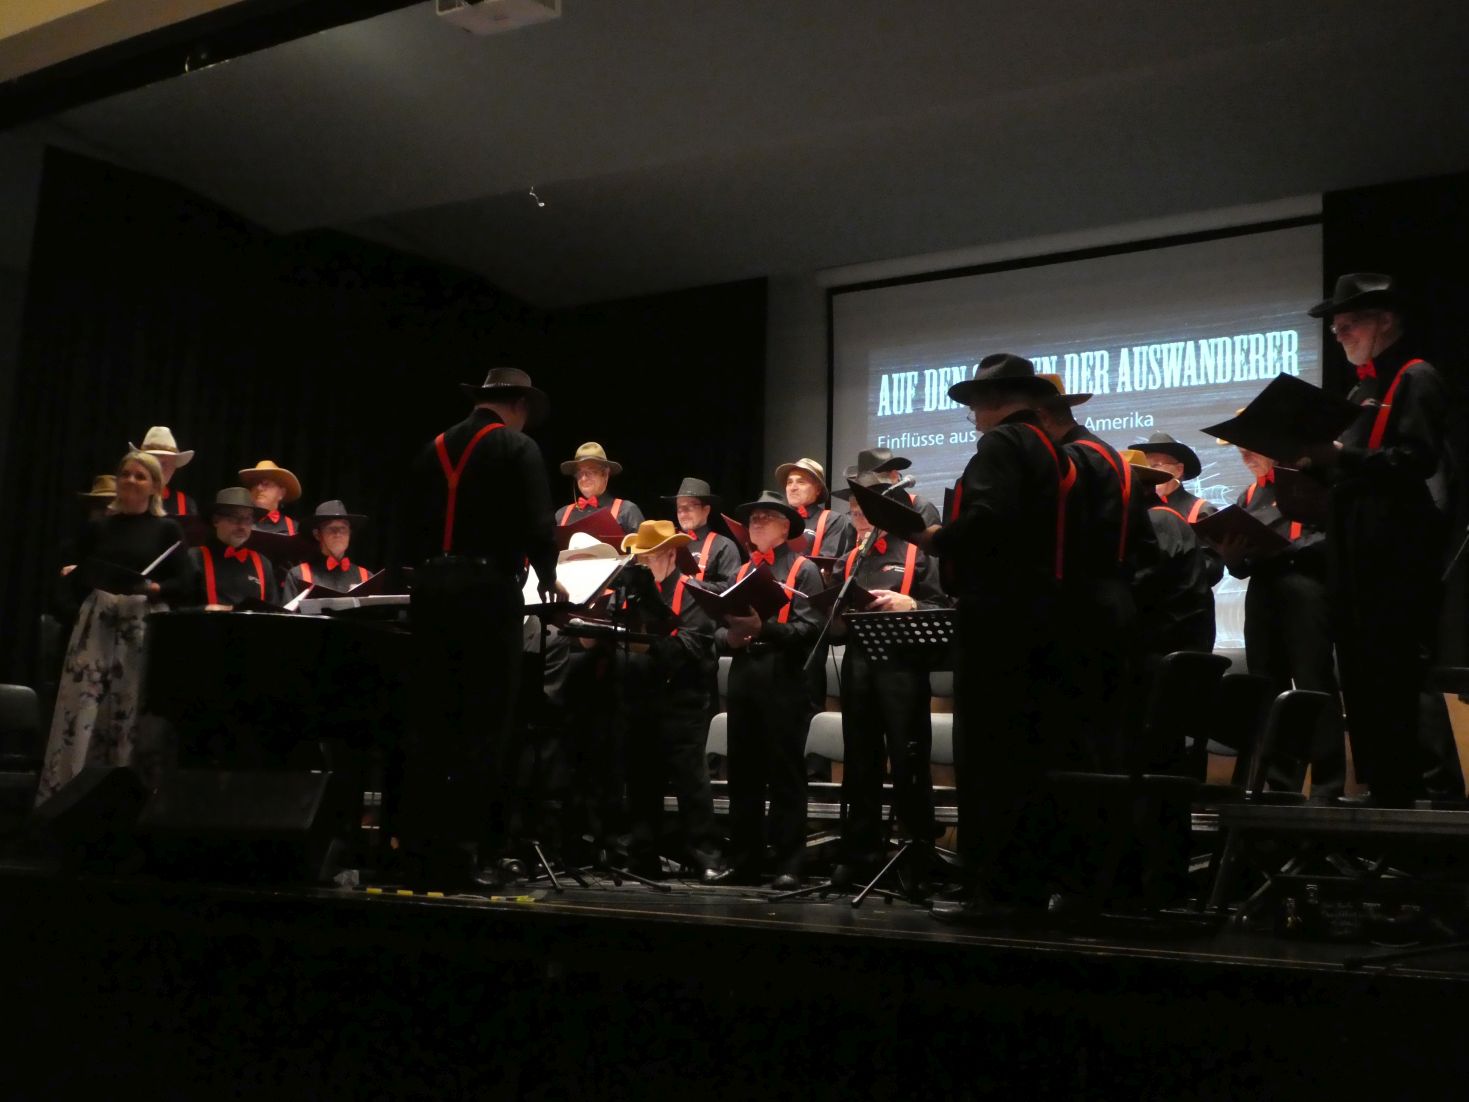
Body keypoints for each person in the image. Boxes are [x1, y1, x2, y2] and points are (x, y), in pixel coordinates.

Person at [913, 354, 1077, 922]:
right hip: (1039, 617)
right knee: (1023, 758)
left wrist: (936, 538)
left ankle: (993, 892)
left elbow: (988, 520)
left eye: (975, 407)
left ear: (991, 402)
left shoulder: (1002, 444)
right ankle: (1021, 888)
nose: (974, 419)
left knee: (987, 755)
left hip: (997, 619)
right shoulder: (1050, 448)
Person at [1301, 273, 1462, 804]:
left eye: (1349, 323)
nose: (1339, 334)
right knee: (1363, 668)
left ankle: (1434, 794)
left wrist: (1341, 457)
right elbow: (1355, 468)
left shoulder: (1415, 377)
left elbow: (1416, 458)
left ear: (1385, 320)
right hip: (1356, 545)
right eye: (1336, 328)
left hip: (1396, 547)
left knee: (1400, 665)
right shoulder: (1359, 390)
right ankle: (1388, 785)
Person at [402, 367, 564, 889]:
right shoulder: (517, 447)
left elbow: (409, 525)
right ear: (519, 405)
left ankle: (420, 852)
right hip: (487, 593)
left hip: (430, 591)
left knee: (431, 720)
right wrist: (549, 577)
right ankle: (469, 855)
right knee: (484, 722)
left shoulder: (431, 449)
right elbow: (538, 524)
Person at [36, 451, 196, 804]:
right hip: (97, 622)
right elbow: (73, 577)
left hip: (141, 623)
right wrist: (79, 585)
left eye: (140, 476)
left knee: (130, 708)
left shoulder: (167, 529)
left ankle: (126, 799)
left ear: (155, 486)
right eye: (126, 474)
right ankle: (67, 798)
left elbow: (186, 584)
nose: (131, 481)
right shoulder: (99, 527)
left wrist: (153, 588)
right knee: (82, 707)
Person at [826, 471, 948, 889]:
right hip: (859, 670)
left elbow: (943, 604)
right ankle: (859, 854)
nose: (857, 514)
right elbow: (833, 629)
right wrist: (837, 616)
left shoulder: (916, 551)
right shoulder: (851, 558)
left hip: (903, 671)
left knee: (908, 759)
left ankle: (917, 856)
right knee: (860, 762)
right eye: (853, 509)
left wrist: (909, 603)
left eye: (864, 508)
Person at [1034, 374, 1158, 771]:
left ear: (1041, 418)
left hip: (1076, 613)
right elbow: (1147, 548)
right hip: (1118, 607)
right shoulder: (1115, 459)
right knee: (1109, 738)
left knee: (1076, 744)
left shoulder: (1068, 461)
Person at [1210, 447, 1343, 798]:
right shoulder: (1248, 495)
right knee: (1267, 684)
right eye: (1240, 453)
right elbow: (1241, 566)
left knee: (1314, 681)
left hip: (1304, 587)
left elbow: (1332, 538)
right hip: (1262, 592)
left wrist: (1286, 550)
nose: (1245, 457)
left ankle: (1328, 785)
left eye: (1251, 451)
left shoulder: (1307, 484)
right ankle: (1279, 783)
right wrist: (1232, 559)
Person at [718, 490, 825, 890]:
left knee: (785, 774)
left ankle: (789, 863)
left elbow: (811, 629)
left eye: (766, 517)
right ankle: (744, 861)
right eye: (753, 518)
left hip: (784, 677)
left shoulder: (803, 569)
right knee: (742, 774)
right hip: (744, 674)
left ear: (785, 527)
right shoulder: (740, 571)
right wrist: (730, 637)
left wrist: (765, 629)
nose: (757, 522)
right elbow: (718, 630)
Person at [618, 520, 728, 881]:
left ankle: (706, 855)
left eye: (648, 557)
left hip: (683, 698)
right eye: (640, 558)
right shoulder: (634, 594)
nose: (643, 564)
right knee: (641, 778)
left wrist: (649, 639)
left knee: (690, 780)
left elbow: (691, 645)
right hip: (642, 696)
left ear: (668, 555)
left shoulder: (694, 592)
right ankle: (643, 855)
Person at [1131, 451, 1219, 658]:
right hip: (1176, 635)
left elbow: (1147, 581)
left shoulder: (1159, 519)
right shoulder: (1155, 516)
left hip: (1172, 639)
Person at [188, 488, 282, 608]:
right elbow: (175, 610)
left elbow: (274, 613)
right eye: (234, 517)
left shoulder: (263, 563)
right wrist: (205, 609)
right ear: (216, 520)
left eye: (248, 519)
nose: (242, 526)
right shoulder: (195, 558)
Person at [283, 500, 373, 599]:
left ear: (349, 533)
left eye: (343, 528)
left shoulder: (366, 577)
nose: (338, 534)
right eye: (331, 529)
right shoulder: (298, 575)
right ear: (317, 535)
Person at [661, 476, 742, 585]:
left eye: (689, 507)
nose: (683, 514)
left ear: (706, 510)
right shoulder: (670, 544)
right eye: (679, 508)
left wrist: (690, 583)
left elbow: (731, 588)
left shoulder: (724, 546)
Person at [775, 457, 855, 558]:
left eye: (801, 482)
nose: (793, 488)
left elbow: (825, 564)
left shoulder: (832, 520)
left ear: (818, 489)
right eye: (789, 482)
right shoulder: (778, 520)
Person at [557, 442, 645, 534]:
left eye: (590, 471)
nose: (583, 478)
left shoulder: (626, 510)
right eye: (579, 472)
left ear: (605, 474)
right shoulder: (562, 515)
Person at [844, 447, 942, 527]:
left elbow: (929, 544)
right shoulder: (857, 514)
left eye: (877, 486)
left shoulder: (920, 507)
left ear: (895, 475)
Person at [130, 425, 197, 516]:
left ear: (174, 467)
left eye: (166, 463)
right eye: (154, 462)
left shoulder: (185, 504)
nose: (160, 468)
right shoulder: (126, 499)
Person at [239, 460, 304, 535]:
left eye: (266, 484)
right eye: (255, 484)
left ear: (281, 493)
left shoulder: (294, 529)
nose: (259, 488)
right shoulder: (236, 522)